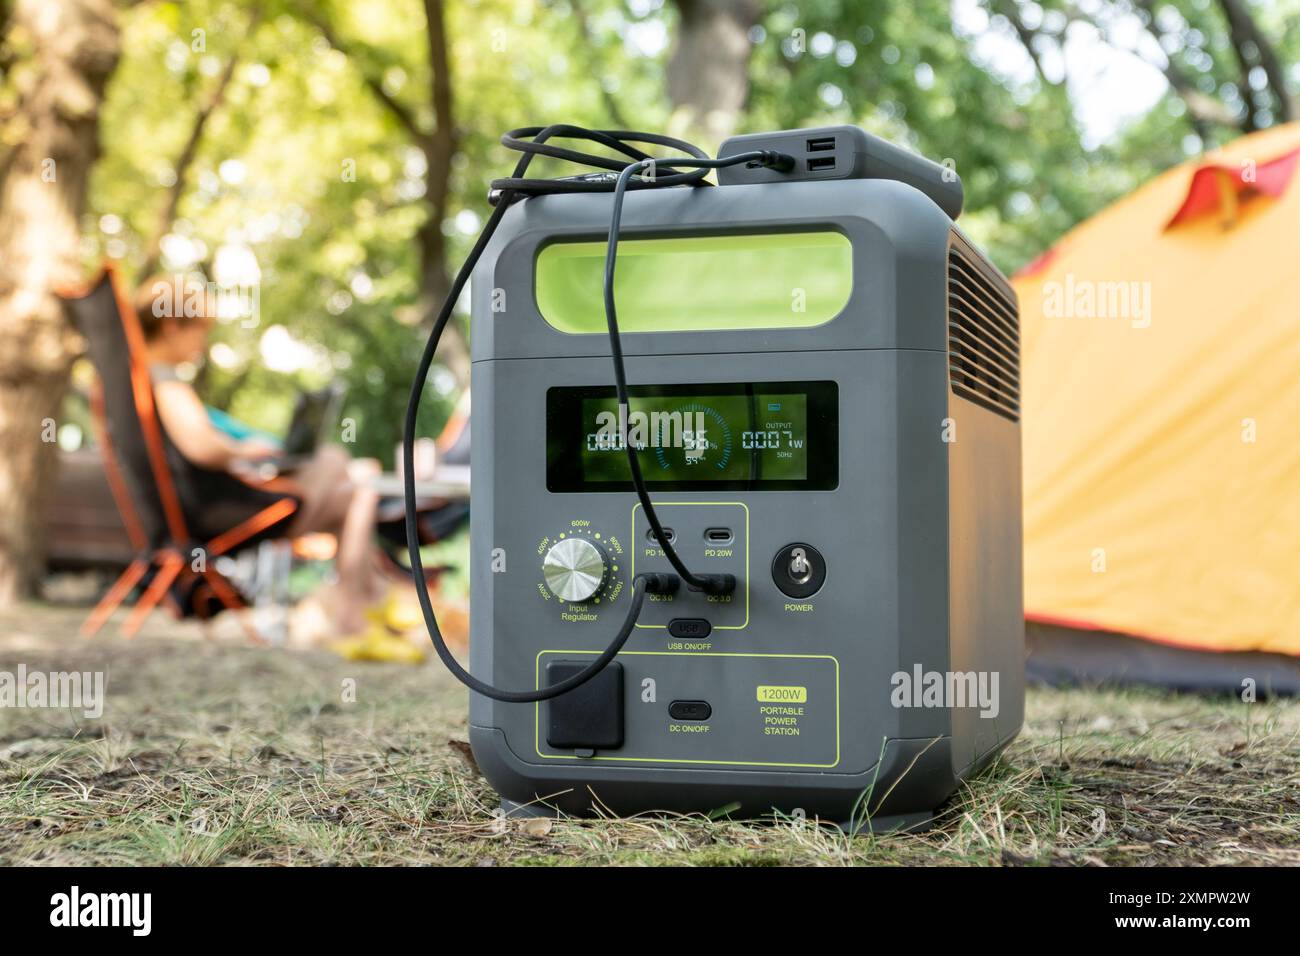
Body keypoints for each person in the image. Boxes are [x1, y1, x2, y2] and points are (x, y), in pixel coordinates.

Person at [136, 273, 385, 635]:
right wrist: (246, 452)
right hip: (220, 515)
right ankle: (354, 608)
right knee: (333, 458)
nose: (203, 345)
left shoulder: (140, 383)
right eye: (202, 331)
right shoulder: (166, 382)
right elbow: (203, 448)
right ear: (174, 325)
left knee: (359, 496)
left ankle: (361, 602)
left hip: (205, 508)